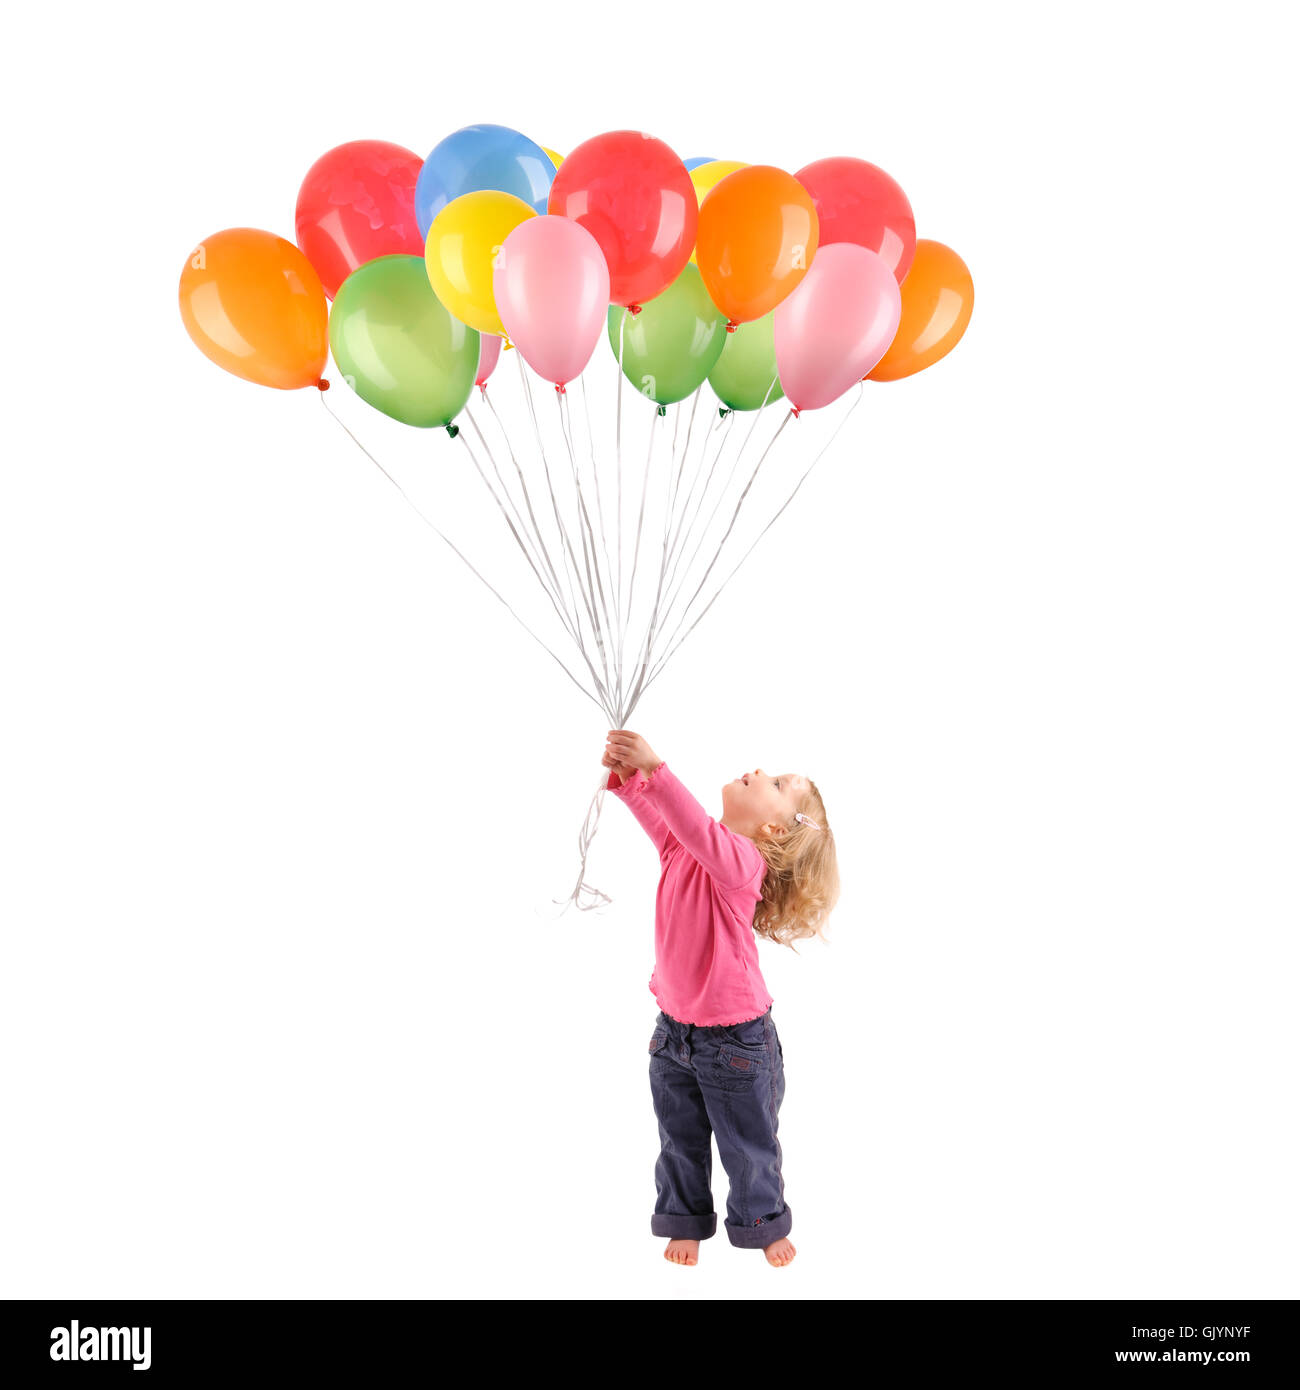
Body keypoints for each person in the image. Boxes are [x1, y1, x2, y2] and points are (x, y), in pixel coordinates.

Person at [602, 729, 840, 1269]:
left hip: (736, 1040)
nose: (758, 771)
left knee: (748, 1145)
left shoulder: (743, 863)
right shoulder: (687, 847)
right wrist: (629, 777)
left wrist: (655, 769)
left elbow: (692, 824)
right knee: (678, 1137)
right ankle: (683, 1220)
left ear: (772, 828)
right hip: (674, 1030)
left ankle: (762, 1221)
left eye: (776, 783)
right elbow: (668, 823)